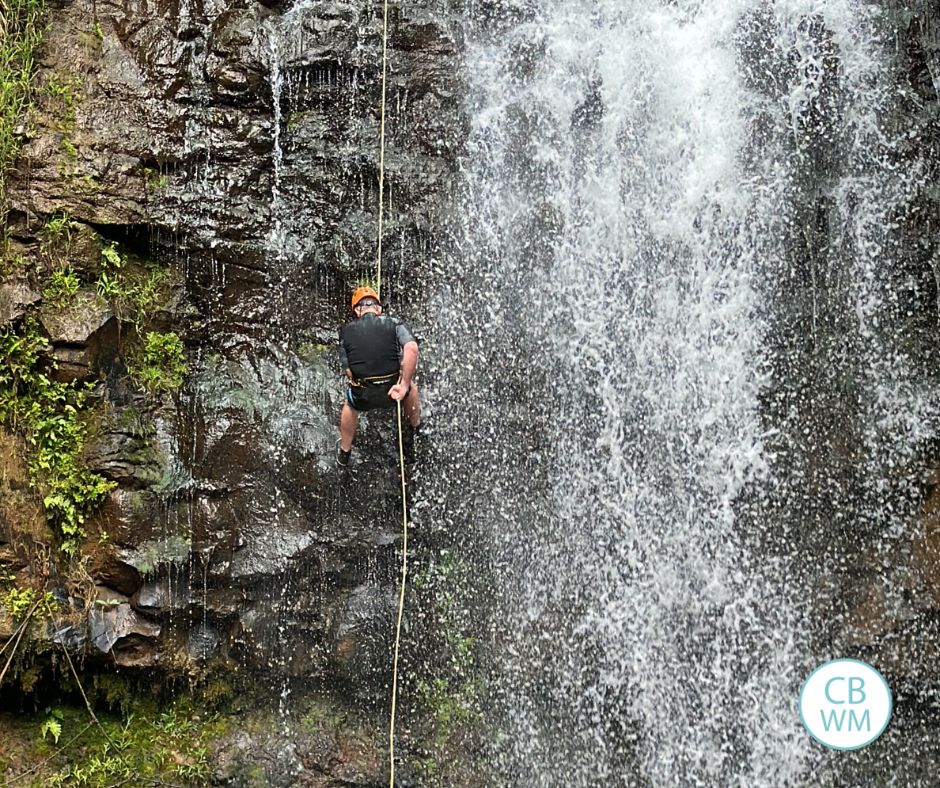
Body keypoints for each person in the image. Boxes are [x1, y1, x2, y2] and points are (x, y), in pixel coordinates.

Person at [337, 286, 420, 467]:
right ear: (379, 308)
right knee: (412, 389)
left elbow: (348, 371)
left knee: (349, 405)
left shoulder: (346, 332)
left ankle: (344, 451)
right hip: (394, 392)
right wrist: (403, 383)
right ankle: (414, 430)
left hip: (363, 396)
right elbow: (411, 348)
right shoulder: (395, 323)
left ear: (357, 310)